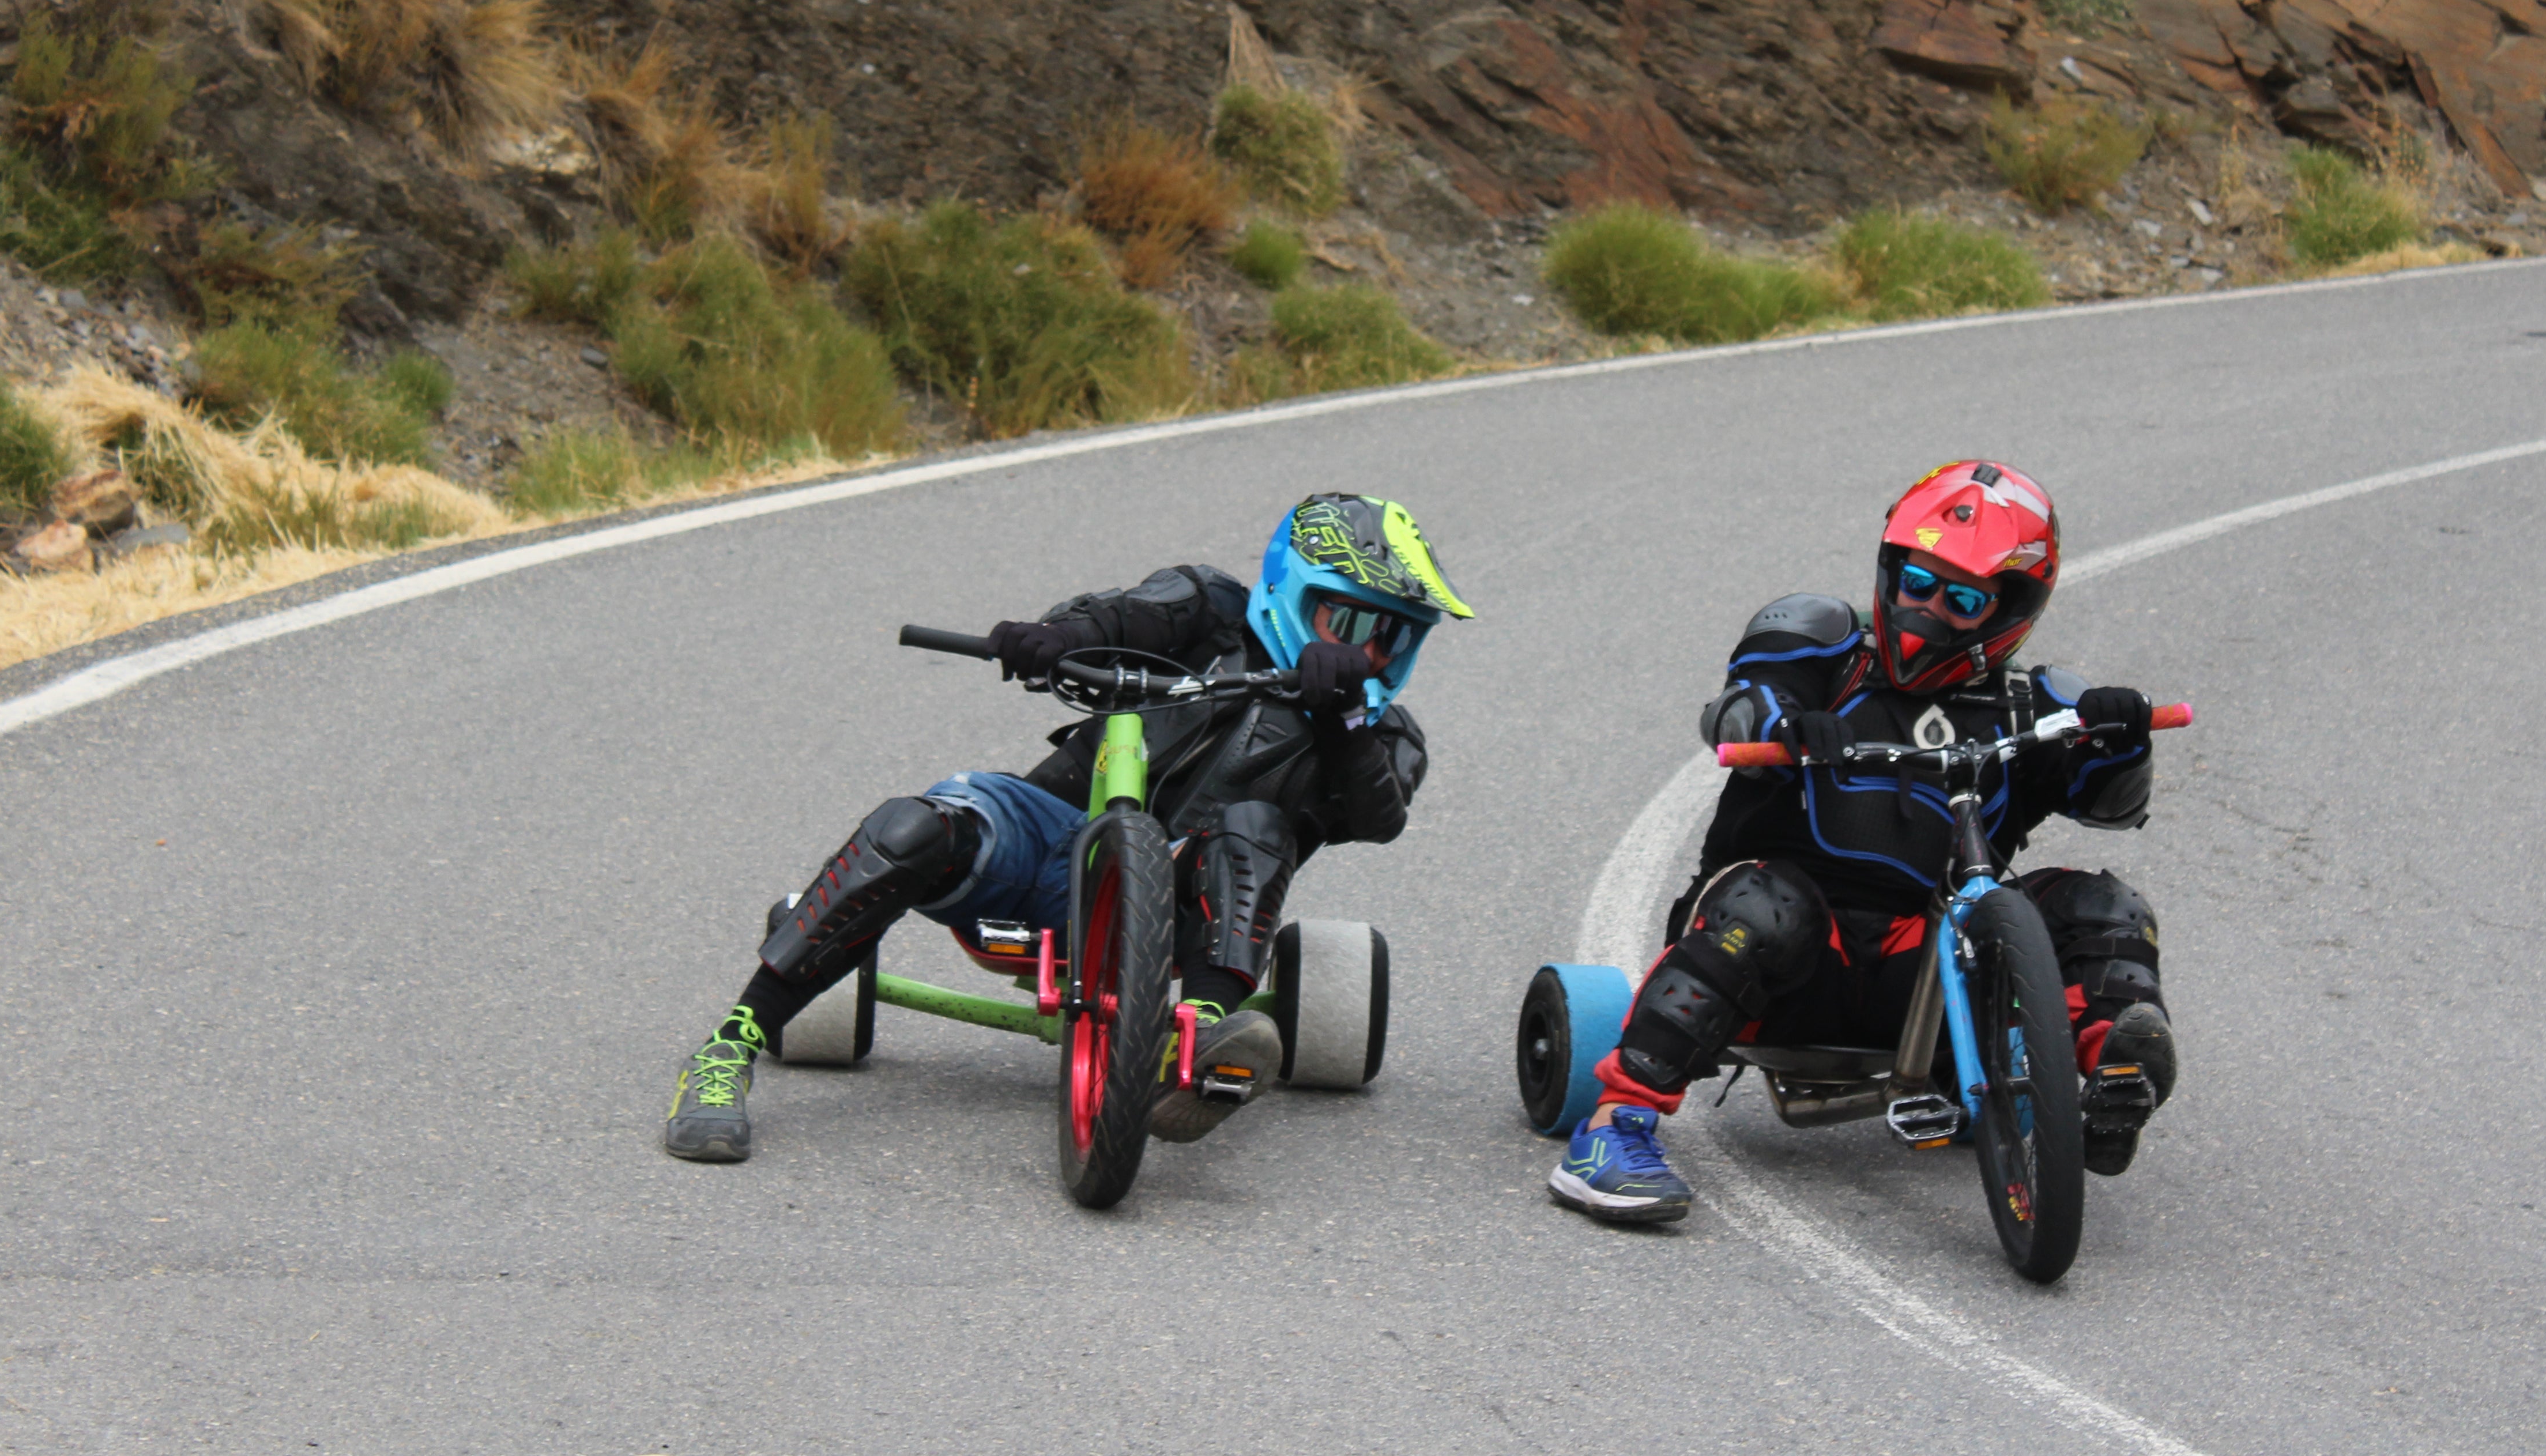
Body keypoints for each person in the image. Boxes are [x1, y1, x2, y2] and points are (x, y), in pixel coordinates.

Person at [664, 492, 1470, 1163]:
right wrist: (1054, 638)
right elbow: (1118, 617)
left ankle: (1199, 1041)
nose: (1373, 653)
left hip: (1195, 911)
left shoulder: (1385, 735)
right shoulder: (1211, 608)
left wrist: (1343, 725)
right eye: (1357, 626)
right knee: (913, 826)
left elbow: (1379, 818)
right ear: (1294, 592)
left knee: (1256, 824)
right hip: (1053, 847)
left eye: (1394, 637)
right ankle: (728, 1048)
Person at [1548, 460, 2177, 1223]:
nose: (1927, 611)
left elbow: (2113, 807)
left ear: (2010, 612)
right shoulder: (1821, 644)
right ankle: (1613, 1131)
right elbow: (1736, 709)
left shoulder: (2032, 702)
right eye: (1917, 582)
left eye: (1964, 599)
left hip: (1935, 977)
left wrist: (2119, 742)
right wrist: (1783, 723)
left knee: (2106, 907)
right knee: (1772, 905)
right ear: (1890, 571)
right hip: (1789, 962)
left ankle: (2113, 1074)